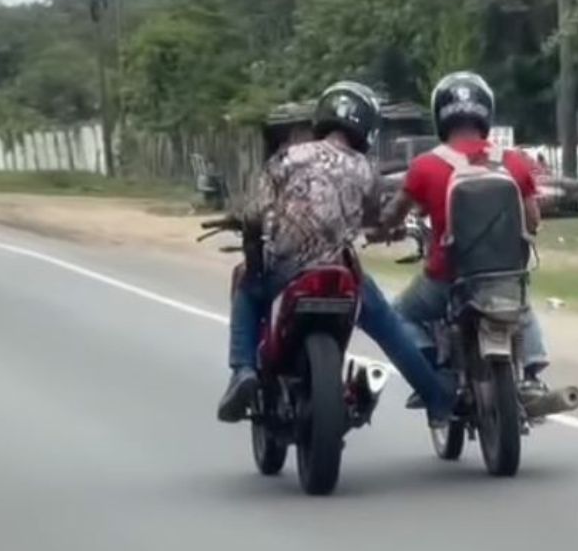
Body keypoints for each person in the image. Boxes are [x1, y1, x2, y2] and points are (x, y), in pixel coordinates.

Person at [219, 81, 452, 427]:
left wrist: (252, 244)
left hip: (284, 269)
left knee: (245, 282)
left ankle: (242, 370)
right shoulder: (366, 169)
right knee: (390, 328)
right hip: (338, 269)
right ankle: (437, 399)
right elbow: (373, 220)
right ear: (367, 127)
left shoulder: (287, 157)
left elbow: (254, 214)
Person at [378, 71, 551, 404]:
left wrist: (383, 228)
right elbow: (532, 219)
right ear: (486, 112)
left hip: (448, 277)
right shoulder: (513, 162)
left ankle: (433, 371)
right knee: (521, 303)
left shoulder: (425, 166)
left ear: (440, 116)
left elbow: (394, 214)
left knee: (400, 314)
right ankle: (531, 374)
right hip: (504, 273)